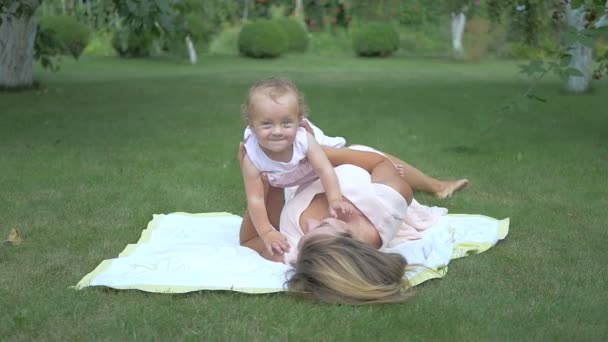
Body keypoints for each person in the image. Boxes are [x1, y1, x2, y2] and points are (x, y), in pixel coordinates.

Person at [240, 146, 422, 304]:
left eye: (304, 240)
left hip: (296, 179)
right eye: (321, 226)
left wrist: (265, 187)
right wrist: (313, 151)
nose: (309, 226)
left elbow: (250, 240)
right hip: (346, 159)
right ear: (350, 237)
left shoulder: (306, 252)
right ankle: (437, 185)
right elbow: (379, 163)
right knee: (376, 157)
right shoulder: (387, 204)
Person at [240, 78, 355, 258]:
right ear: (251, 124)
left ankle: (387, 164)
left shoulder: (304, 139)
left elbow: (325, 170)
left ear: (299, 121)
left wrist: (335, 199)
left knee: (353, 159)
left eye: (286, 123)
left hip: (322, 155)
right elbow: (255, 199)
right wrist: (267, 233)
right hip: (294, 174)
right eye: (267, 124)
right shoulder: (253, 159)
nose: (277, 131)